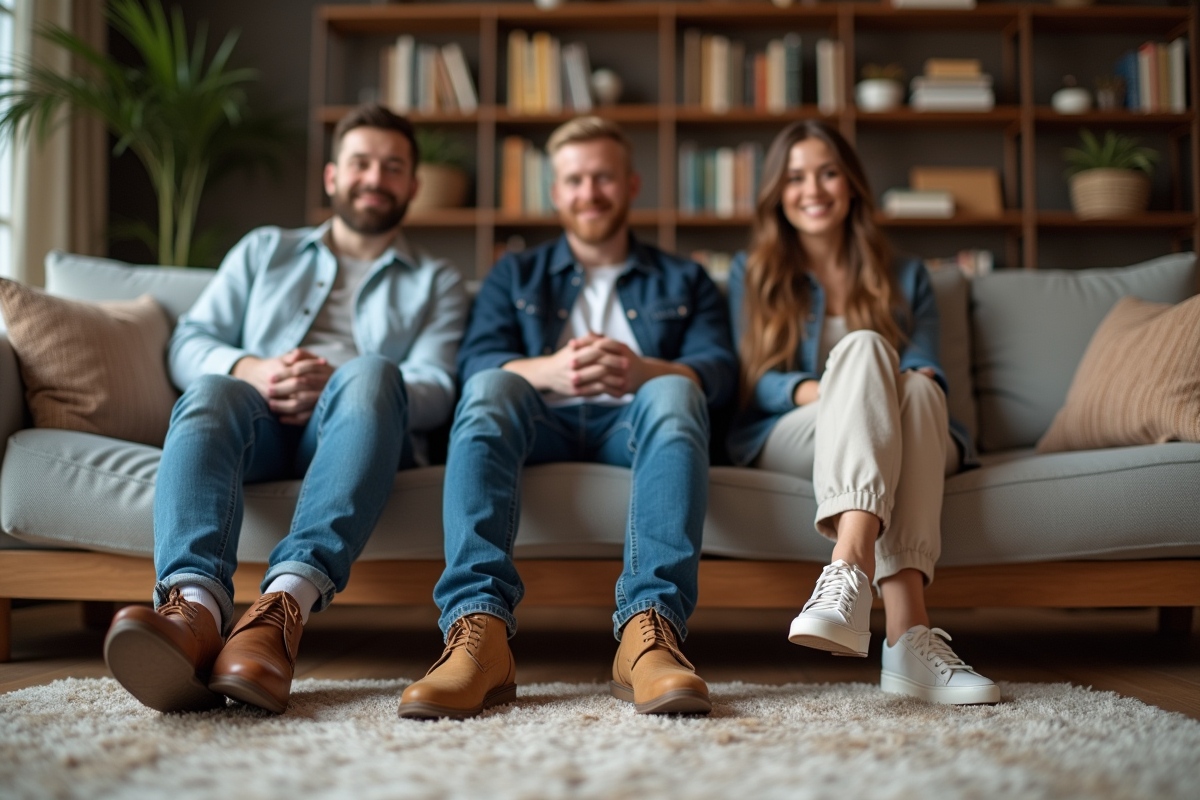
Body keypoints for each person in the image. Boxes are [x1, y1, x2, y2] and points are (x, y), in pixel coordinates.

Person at [103, 104, 468, 714]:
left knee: (373, 371)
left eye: (392, 167)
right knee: (214, 389)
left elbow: (436, 387)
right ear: (332, 175)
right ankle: (193, 612)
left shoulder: (438, 280)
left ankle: (280, 612)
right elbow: (190, 342)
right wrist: (255, 369)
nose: (374, 178)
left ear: (412, 184)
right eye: (361, 162)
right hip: (261, 423)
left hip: (363, 427)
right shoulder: (264, 249)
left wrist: (341, 382)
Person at [397, 117, 738, 720]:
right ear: (555, 192)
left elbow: (720, 372)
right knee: (491, 387)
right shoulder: (514, 273)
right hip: (539, 426)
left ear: (631, 185)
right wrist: (548, 370)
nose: (589, 193)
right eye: (575, 180)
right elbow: (475, 362)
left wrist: (642, 370)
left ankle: (650, 632)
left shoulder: (685, 277)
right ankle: (477, 632)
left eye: (603, 177)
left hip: (633, 426)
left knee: (675, 391)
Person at [727, 120, 999, 705]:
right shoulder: (752, 272)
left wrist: (871, 388)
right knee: (865, 348)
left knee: (918, 390)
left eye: (828, 173)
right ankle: (886, 612)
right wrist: (838, 391)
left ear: (851, 184)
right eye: (795, 177)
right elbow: (752, 382)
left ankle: (868, 595)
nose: (813, 189)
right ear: (778, 193)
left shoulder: (906, 274)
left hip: (908, 425)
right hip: (799, 427)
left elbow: (926, 367)